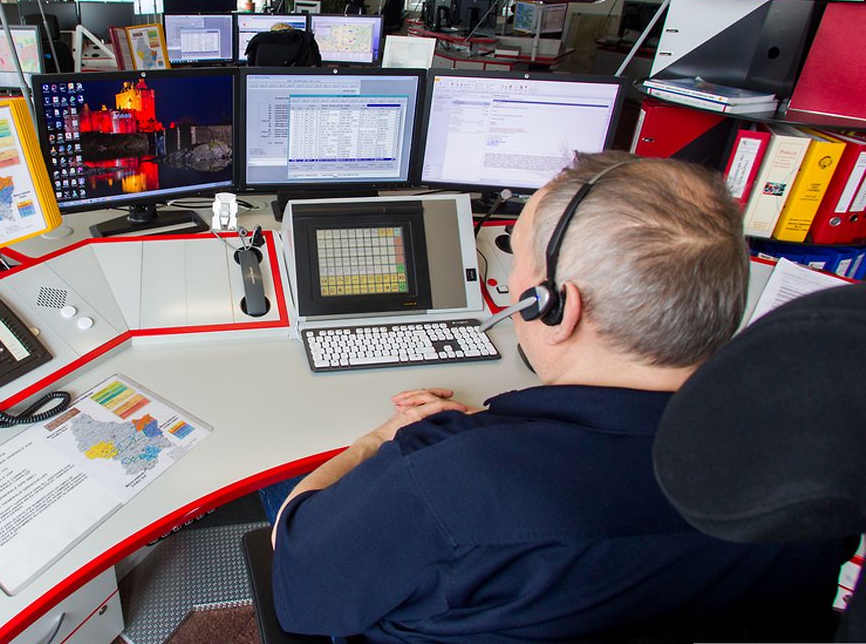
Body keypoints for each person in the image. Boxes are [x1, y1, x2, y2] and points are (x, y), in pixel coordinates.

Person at [271, 151, 847, 642]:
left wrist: (380, 440)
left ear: (554, 306)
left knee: (278, 496)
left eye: (517, 262)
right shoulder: (819, 469)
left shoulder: (451, 472)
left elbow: (300, 571)